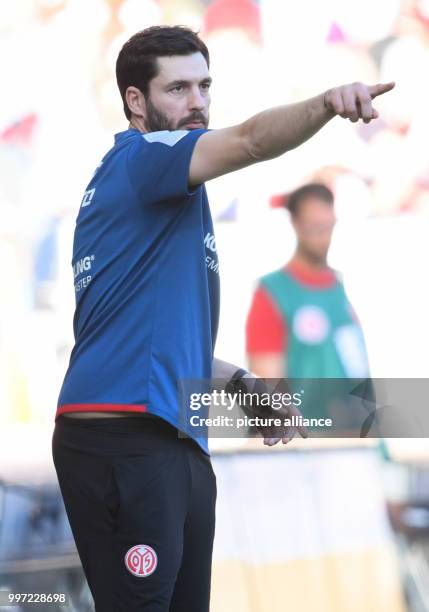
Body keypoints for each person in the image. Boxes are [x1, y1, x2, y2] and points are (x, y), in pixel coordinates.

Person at [52, 25, 394, 612]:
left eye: (205, 86)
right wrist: (326, 103)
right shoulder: (149, 159)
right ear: (136, 101)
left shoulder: (157, 190)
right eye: (178, 88)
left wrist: (240, 384)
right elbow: (255, 140)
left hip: (164, 434)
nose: (198, 103)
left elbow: (145, 339)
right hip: (125, 439)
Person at [246, 182, 370, 381]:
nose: (323, 238)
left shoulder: (338, 285)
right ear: (296, 223)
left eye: (327, 226)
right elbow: (268, 390)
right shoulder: (272, 292)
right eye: (315, 227)